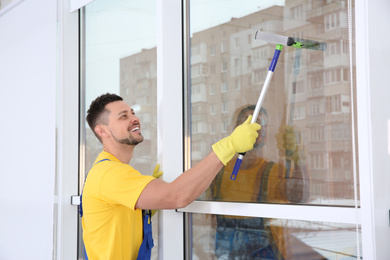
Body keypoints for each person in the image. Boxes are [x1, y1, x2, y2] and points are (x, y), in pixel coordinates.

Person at [81, 93, 261, 260]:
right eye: (123, 116)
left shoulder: (110, 170)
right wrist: (229, 146)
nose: (135, 118)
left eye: (133, 113)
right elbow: (176, 196)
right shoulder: (109, 174)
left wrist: (147, 205)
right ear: (102, 131)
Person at [208, 104, 318, 259]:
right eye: (245, 122)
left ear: (266, 134)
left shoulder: (274, 172)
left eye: (259, 123)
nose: (252, 127)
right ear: (234, 129)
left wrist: (297, 156)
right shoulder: (219, 172)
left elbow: (299, 196)